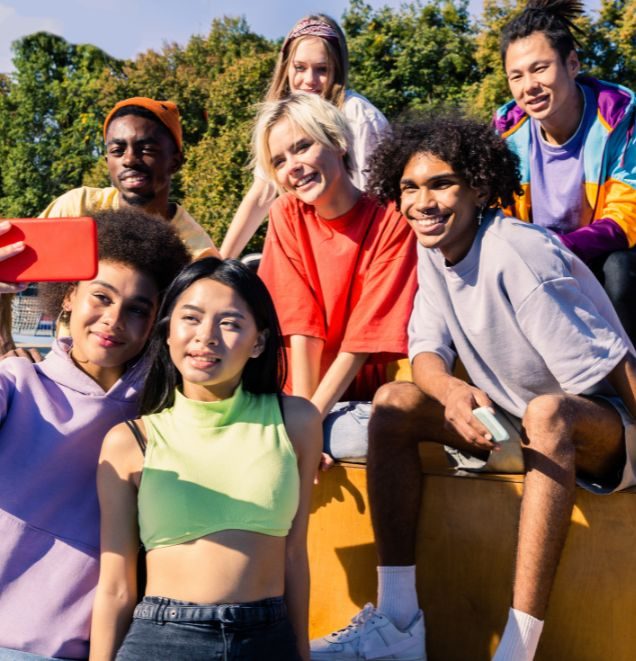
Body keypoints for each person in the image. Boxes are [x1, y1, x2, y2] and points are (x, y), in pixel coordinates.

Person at [310, 113, 636, 661]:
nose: (422, 202)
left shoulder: (519, 253)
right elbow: (426, 353)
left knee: (549, 413)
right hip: (517, 421)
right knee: (395, 402)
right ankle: (397, 623)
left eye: (441, 184)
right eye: (410, 188)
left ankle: (517, 649)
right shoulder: (431, 249)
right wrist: (453, 394)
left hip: (608, 432)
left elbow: (619, 365)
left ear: (480, 187)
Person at [90, 258, 321, 660]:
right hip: (162, 640)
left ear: (260, 342)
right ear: (167, 331)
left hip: (268, 638)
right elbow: (116, 586)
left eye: (230, 323)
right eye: (191, 318)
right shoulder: (130, 441)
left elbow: (294, 556)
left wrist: (301, 654)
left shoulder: (296, 421)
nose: (206, 337)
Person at [0, 208, 190, 660]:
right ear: (68, 295)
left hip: (73, 649)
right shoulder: (17, 381)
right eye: (101, 297)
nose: (113, 318)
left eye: (137, 309)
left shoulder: (167, 411)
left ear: (157, 322)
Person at [255, 93, 417, 465]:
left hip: (353, 393)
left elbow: (362, 338)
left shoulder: (390, 218)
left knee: (362, 439)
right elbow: (301, 326)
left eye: (302, 147)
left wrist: (312, 424)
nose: (292, 166)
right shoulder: (286, 214)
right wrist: (303, 422)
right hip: (296, 394)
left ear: (338, 142)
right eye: (280, 161)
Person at [0, 96, 219, 353]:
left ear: (175, 161)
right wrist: (5, 348)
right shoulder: (76, 209)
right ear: (108, 163)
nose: (129, 159)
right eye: (117, 150)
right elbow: (8, 270)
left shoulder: (196, 252)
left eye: (146, 149)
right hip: (64, 375)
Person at [494, 0, 636, 342]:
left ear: (572, 64)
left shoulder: (619, 119)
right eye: (517, 76)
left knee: (621, 270)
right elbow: (494, 214)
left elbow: (627, 216)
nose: (529, 85)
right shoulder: (505, 133)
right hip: (537, 265)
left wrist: (556, 247)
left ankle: (626, 385)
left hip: (601, 257)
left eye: (540, 69)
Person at [220, 14, 388, 259]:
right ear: (286, 66)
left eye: (322, 69)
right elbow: (262, 193)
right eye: (300, 68)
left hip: (363, 249)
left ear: (338, 70)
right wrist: (219, 262)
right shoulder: (283, 121)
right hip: (312, 246)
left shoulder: (357, 115)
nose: (309, 81)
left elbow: (378, 199)